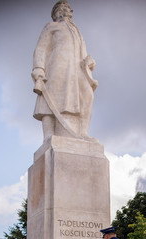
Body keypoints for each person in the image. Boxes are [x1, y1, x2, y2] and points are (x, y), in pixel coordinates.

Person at [31, 0, 98, 142]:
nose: (69, 10)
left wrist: (89, 62)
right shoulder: (51, 27)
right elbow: (41, 49)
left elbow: (82, 51)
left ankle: (83, 132)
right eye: (65, 7)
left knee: (87, 95)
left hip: (78, 67)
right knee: (51, 96)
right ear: (57, 11)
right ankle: (48, 135)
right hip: (57, 64)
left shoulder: (77, 30)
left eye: (69, 8)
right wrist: (39, 69)